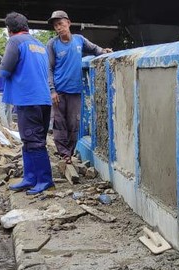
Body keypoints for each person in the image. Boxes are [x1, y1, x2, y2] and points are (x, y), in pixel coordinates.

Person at [0, 12, 54, 195]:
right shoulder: (38, 44)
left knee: (33, 141)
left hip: (28, 100)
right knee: (31, 141)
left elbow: (4, 71)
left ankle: (44, 180)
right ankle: (30, 178)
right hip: (43, 99)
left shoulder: (15, 42)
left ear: (9, 29)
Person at [47, 10, 112, 164]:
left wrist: (104, 52)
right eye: (56, 26)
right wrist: (52, 90)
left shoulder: (79, 40)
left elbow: (94, 49)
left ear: (68, 23)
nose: (58, 28)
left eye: (61, 24)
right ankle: (64, 154)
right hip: (59, 91)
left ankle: (69, 151)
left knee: (74, 123)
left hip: (75, 90)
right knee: (59, 123)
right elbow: (48, 68)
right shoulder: (52, 44)